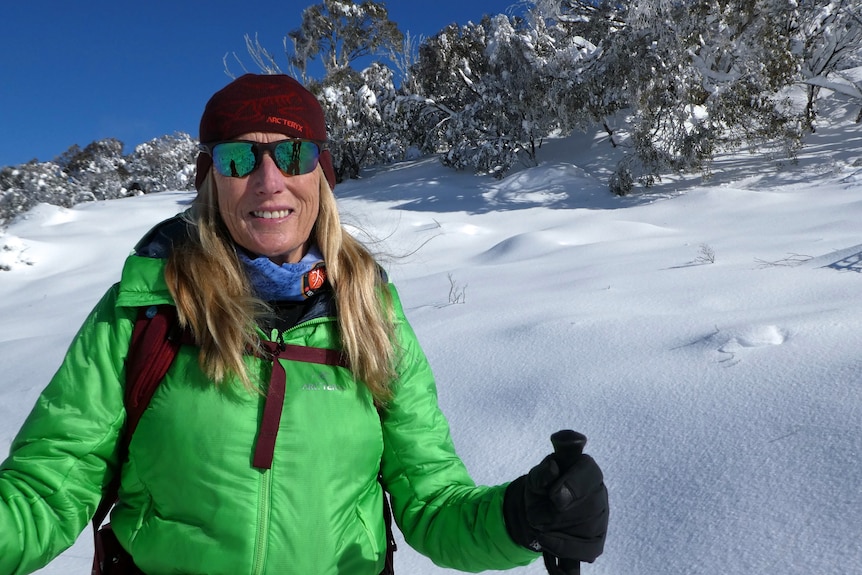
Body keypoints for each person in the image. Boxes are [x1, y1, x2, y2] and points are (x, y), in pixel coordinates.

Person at [0, 74, 608, 575]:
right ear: (211, 180)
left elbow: (432, 503)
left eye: (293, 153)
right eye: (239, 157)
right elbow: (45, 494)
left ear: (321, 173)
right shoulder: (145, 312)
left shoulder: (370, 316)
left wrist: (520, 519)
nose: (270, 181)